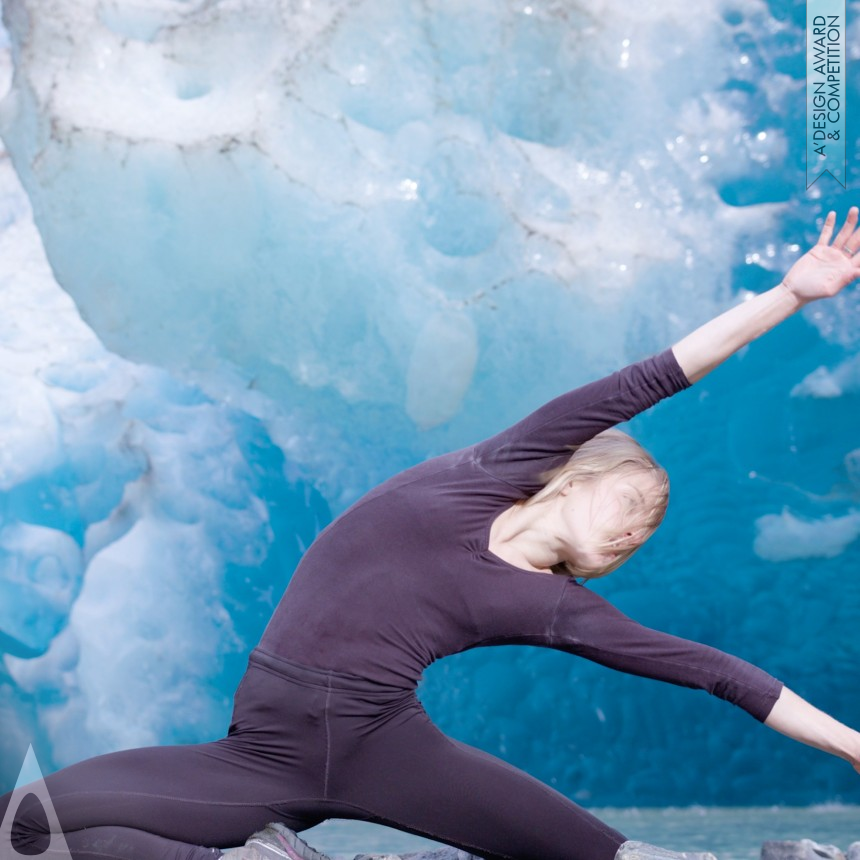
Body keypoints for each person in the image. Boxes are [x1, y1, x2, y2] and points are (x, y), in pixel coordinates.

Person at [4, 209, 860, 860]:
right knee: (25, 827)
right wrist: (790, 294)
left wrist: (852, 744)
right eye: (637, 499)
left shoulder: (553, 606)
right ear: (578, 471)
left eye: (650, 529)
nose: (643, 526)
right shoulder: (496, 467)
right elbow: (658, 375)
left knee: (610, 856)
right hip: (264, 752)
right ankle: (269, 851)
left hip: (388, 750)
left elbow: (706, 670)